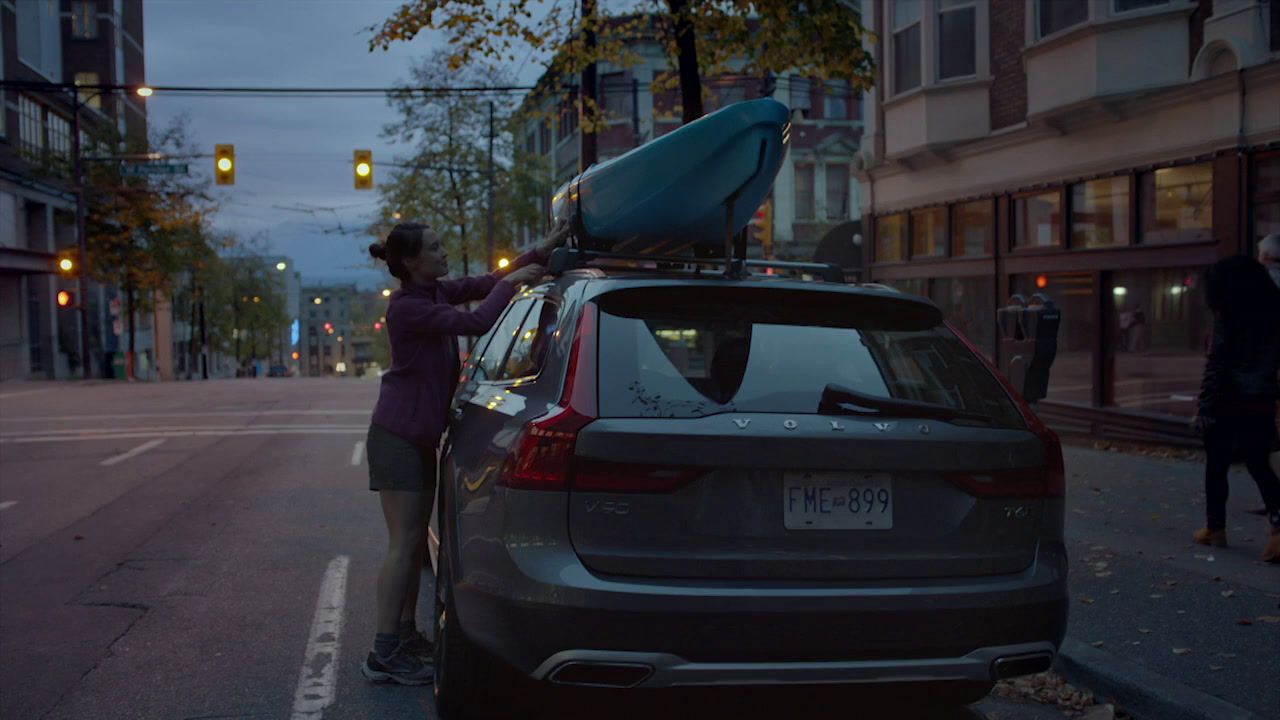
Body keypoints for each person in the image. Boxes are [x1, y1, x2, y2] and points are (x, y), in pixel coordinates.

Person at [360, 220, 569, 684]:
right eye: (434, 247)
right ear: (412, 262)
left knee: (416, 549)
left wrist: (539, 252)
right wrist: (512, 286)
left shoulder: (432, 292)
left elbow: (483, 285)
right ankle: (382, 651)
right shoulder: (408, 308)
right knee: (403, 545)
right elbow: (476, 319)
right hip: (396, 437)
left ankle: (406, 635)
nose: (443, 251)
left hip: (416, 438)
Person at [1191, 255, 1280, 563]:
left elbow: (1217, 363)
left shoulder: (1227, 315)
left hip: (1227, 400)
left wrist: (1204, 407)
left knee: (1216, 465)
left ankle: (1215, 528)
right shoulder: (1274, 313)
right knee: (1259, 464)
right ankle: (1278, 531)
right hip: (1262, 399)